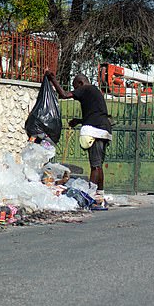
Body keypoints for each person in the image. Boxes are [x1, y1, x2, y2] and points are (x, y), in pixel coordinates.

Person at [44, 70, 112, 205]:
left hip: (95, 131)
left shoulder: (85, 88)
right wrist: (79, 121)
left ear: (80, 83)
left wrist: (52, 79)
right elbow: (95, 114)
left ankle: (89, 195)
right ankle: (100, 193)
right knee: (98, 165)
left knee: (95, 165)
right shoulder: (95, 92)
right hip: (105, 129)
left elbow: (63, 95)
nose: (75, 91)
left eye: (75, 87)